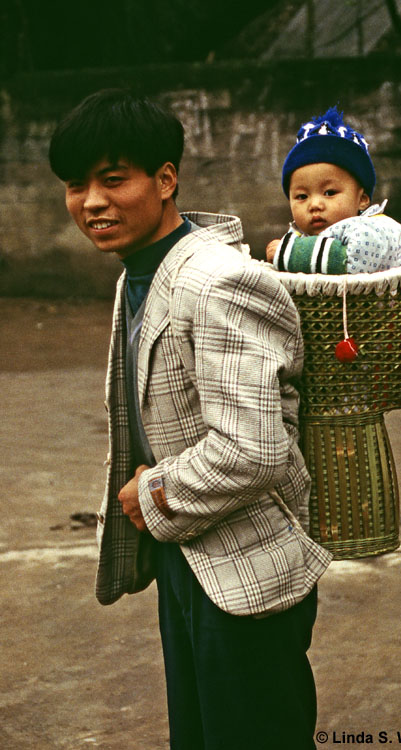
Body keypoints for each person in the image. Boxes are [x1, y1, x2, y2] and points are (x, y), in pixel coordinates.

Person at [49, 88, 332, 750]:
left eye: (112, 180)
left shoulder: (217, 280)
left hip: (244, 570)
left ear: (166, 178)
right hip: (189, 555)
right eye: (75, 185)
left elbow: (254, 448)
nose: (91, 202)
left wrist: (152, 492)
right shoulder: (142, 273)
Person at [266, 107, 401, 274]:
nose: (314, 204)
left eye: (329, 193)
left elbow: (356, 261)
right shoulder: (299, 237)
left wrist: (290, 254)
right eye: (302, 196)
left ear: (363, 199)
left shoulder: (374, 227)